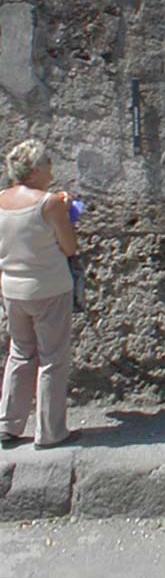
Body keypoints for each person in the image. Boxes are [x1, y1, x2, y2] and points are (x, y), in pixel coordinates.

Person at [0, 139, 78, 450]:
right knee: (52, 358)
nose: (51, 169)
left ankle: (8, 423)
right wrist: (68, 209)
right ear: (34, 171)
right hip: (48, 287)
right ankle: (50, 431)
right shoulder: (49, 203)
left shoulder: (1, 200)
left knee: (20, 353)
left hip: (12, 289)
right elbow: (69, 247)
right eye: (47, 164)